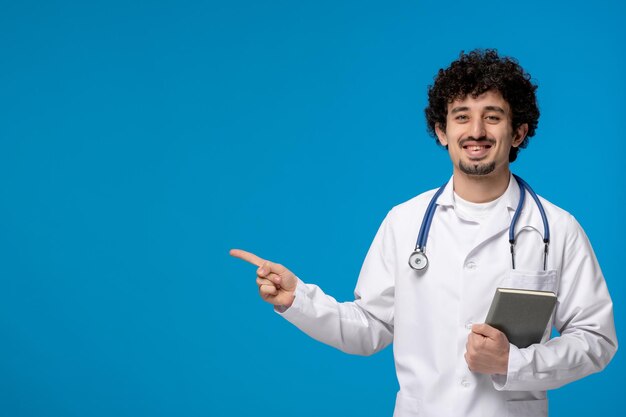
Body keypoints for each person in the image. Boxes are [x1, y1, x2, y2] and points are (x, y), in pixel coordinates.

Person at [230, 49, 617, 417]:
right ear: (442, 131)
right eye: (461, 116)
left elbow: (596, 340)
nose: (476, 131)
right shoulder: (405, 222)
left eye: (493, 116)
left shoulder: (558, 229)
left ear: (518, 133)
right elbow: (369, 329)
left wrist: (513, 362)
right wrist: (298, 299)